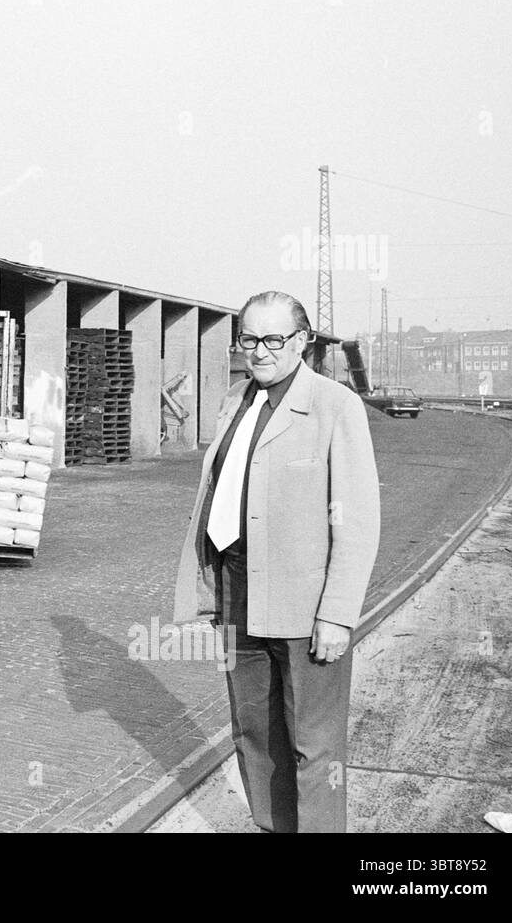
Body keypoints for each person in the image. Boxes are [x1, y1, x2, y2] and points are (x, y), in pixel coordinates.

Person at [173, 290, 380, 833]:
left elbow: (356, 522)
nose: (260, 351)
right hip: (239, 594)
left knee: (314, 746)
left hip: (306, 606)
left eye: (274, 339)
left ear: (303, 341)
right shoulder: (236, 398)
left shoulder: (337, 406)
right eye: (248, 339)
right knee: (255, 734)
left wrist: (337, 614)